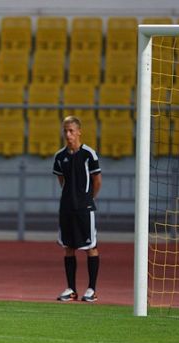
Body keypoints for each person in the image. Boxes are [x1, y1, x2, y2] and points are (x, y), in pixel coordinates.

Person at [53, 115, 102, 302]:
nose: (68, 134)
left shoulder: (89, 154)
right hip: (66, 209)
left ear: (79, 131)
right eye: (65, 130)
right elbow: (62, 181)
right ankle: (71, 289)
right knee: (68, 247)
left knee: (90, 246)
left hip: (84, 209)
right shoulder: (59, 156)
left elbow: (97, 180)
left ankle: (91, 289)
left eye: (71, 130)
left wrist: (88, 199)